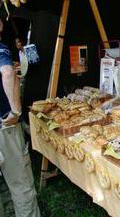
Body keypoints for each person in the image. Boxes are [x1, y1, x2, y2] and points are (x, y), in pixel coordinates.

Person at [0, 18, 40, 217]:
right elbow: (7, 72)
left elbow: (35, 63)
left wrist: (24, 52)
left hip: (29, 91)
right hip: (8, 115)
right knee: (20, 183)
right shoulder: (3, 49)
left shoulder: (30, 46)